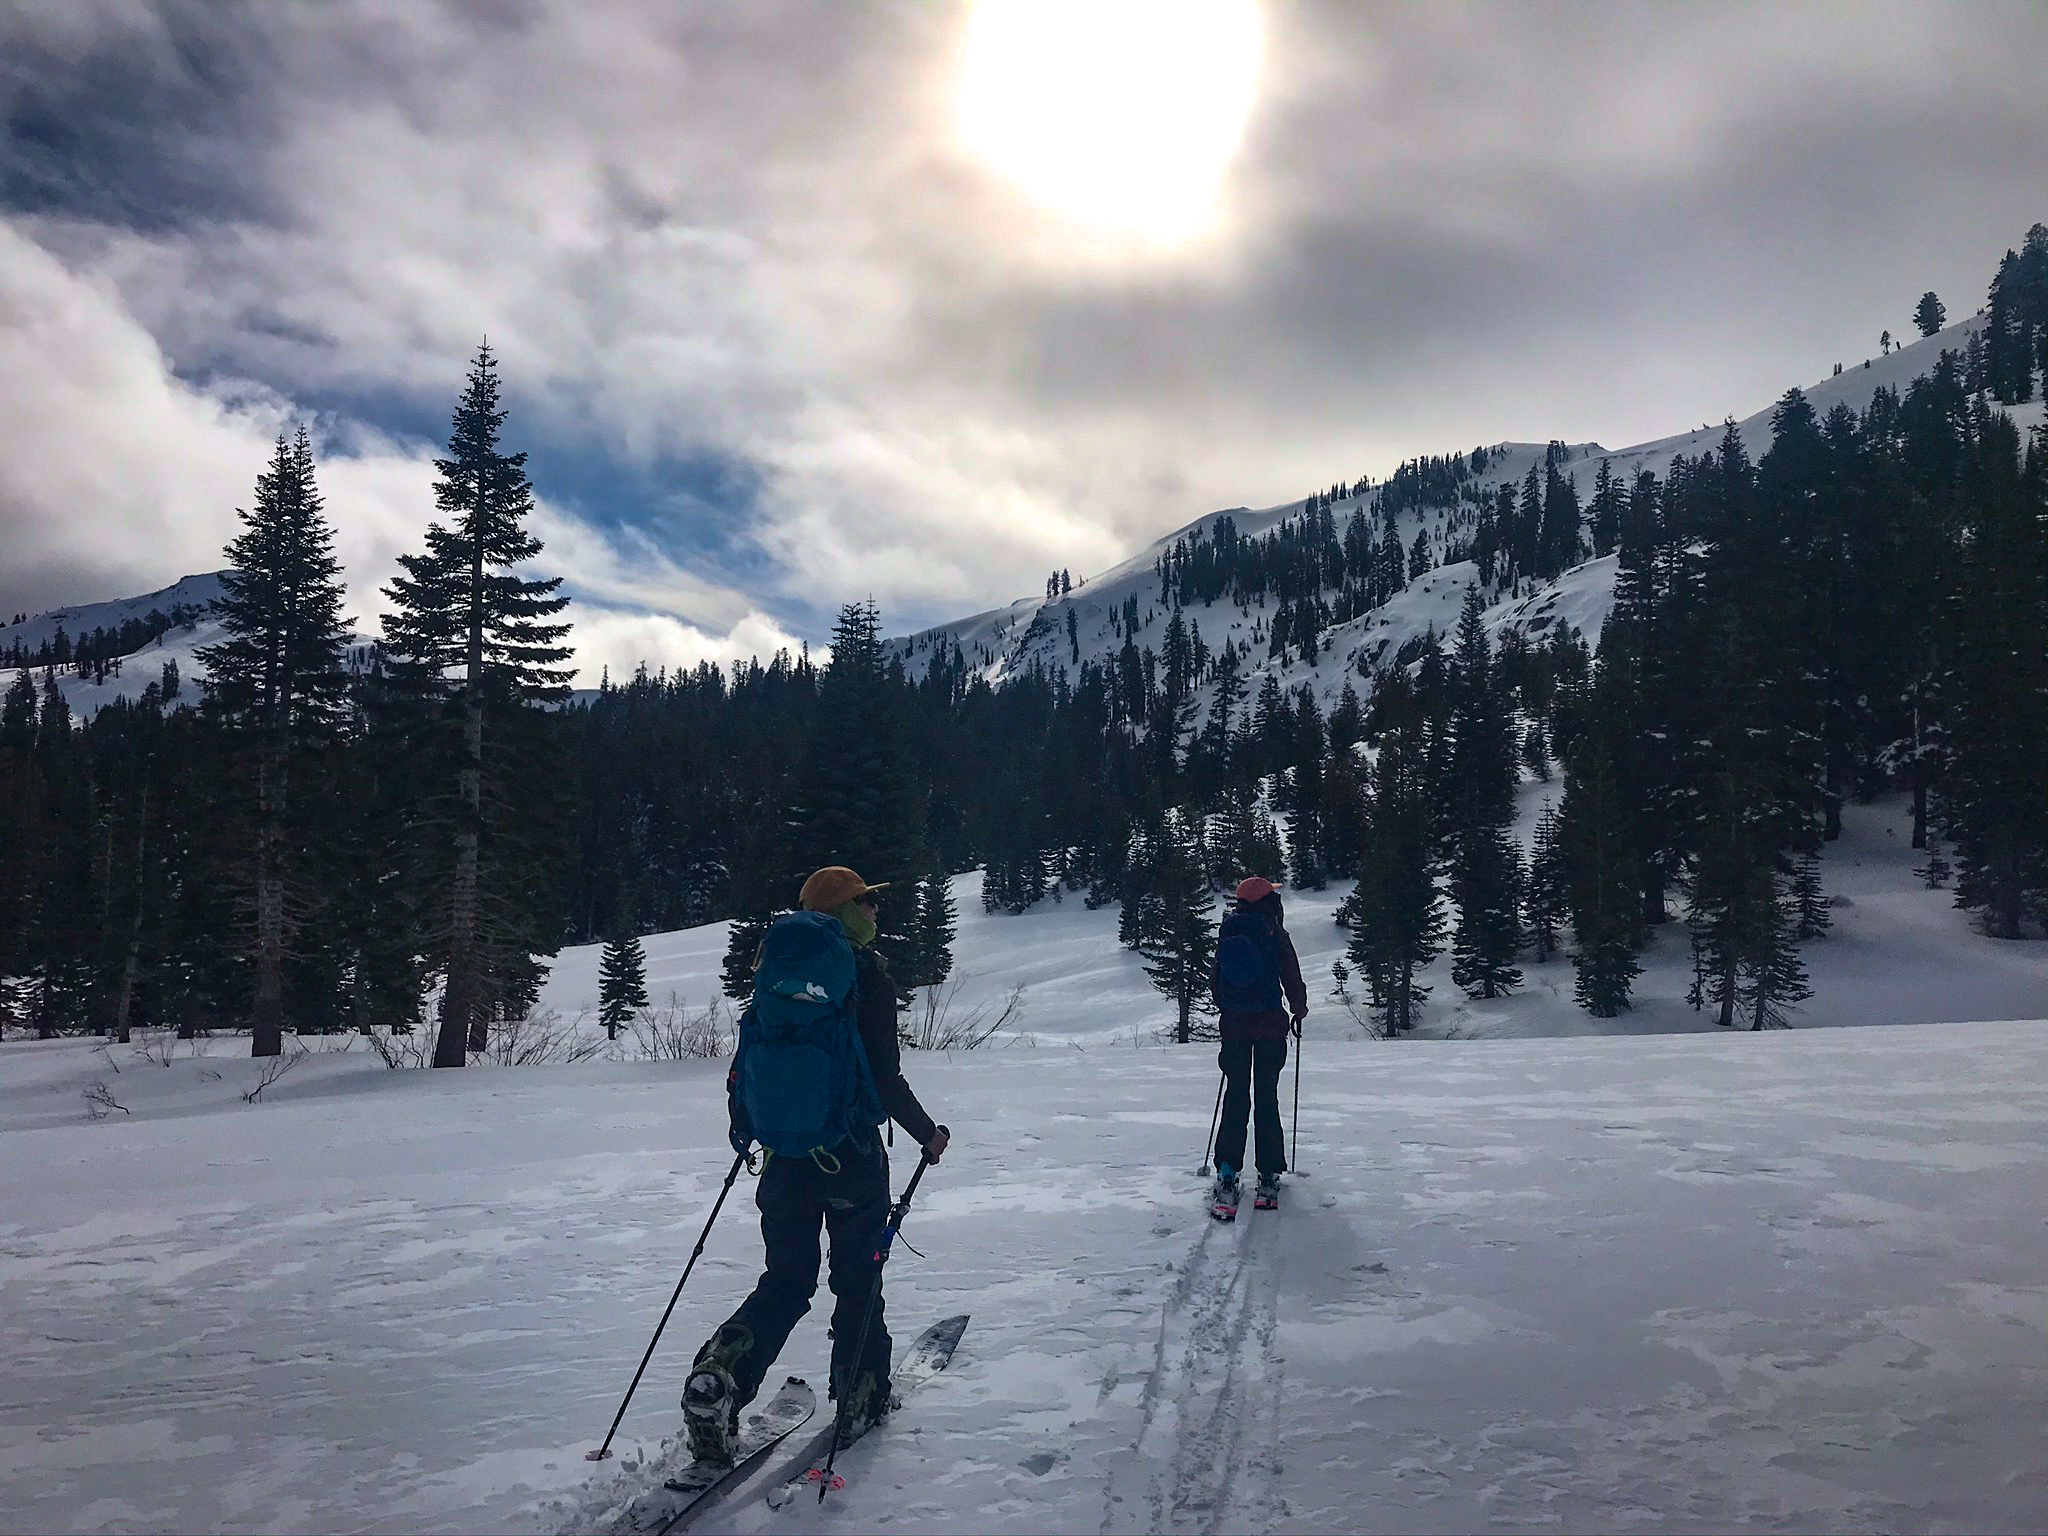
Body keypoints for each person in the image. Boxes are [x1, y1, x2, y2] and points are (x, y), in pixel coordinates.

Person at [682, 866, 950, 1463]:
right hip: (851, 1160)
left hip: (782, 1162)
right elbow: (884, 1079)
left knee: (785, 1280)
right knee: (857, 1281)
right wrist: (927, 1134)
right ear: (846, 910)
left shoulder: (775, 974)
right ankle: (861, 1391)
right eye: (867, 901)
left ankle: (721, 1373)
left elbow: (745, 1065)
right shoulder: (864, 978)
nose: (876, 910)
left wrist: (745, 1131)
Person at [1209, 875, 1307, 1211]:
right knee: (1267, 1096)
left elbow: (1215, 983)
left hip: (1235, 1029)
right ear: (1268, 901)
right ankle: (1267, 1176)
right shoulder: (1274, 932)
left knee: (1236, 1095)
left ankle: (1226, 1172)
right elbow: (1291, 976)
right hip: (1269, 1027)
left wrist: (1231, 1012)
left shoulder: (1228, 931)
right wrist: (1298, 1007)